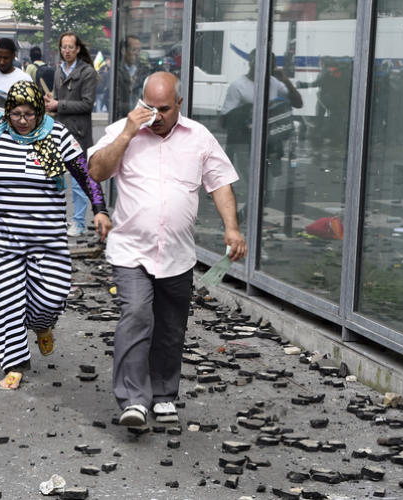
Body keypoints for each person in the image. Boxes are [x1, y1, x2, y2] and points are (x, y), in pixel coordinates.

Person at [88, 72, 248, 426]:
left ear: (179, 104)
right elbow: (96, 171)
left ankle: (162, 394)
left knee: (170, 326)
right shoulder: (123, 130)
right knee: (137, 314)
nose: (156, 116)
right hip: (131, 250)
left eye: (164, 108)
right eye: (150, 107)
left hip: (177, 253)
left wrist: (232, 229)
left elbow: (220, 183)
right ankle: (133, 399)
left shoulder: (199, 137)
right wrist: (129, 133)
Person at [0, 81, 111, 390]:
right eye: (15, 114)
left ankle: (41, 325)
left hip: (48, 239)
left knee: (51, 299)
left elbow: (84, 175)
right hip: (2, 237)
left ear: (40, 111)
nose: (21, 120)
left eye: (28, 114)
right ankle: (14, 361)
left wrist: (100, 209)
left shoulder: (58, 135)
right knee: (6, 301)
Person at [44, 32, 98, 238]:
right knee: (54, 176)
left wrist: (59, 104)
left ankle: (79, 223)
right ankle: (58, 219)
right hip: (59, 130)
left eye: (70, 47)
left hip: (79, 133)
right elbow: (58, 101)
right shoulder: (59, 71)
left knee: (77, 181)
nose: (66, 51)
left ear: (77, 49)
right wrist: (51, 104)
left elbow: (87, 104)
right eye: (63, 47)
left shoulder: (87, 73)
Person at [114, 35, 150, 119]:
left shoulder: (144, 71)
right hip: (121, 119)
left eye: (139, 50)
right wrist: (134, 106)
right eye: (134, 50)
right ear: (123, 51)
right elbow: (112, 101)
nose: (137, 53)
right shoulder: (116, 72)